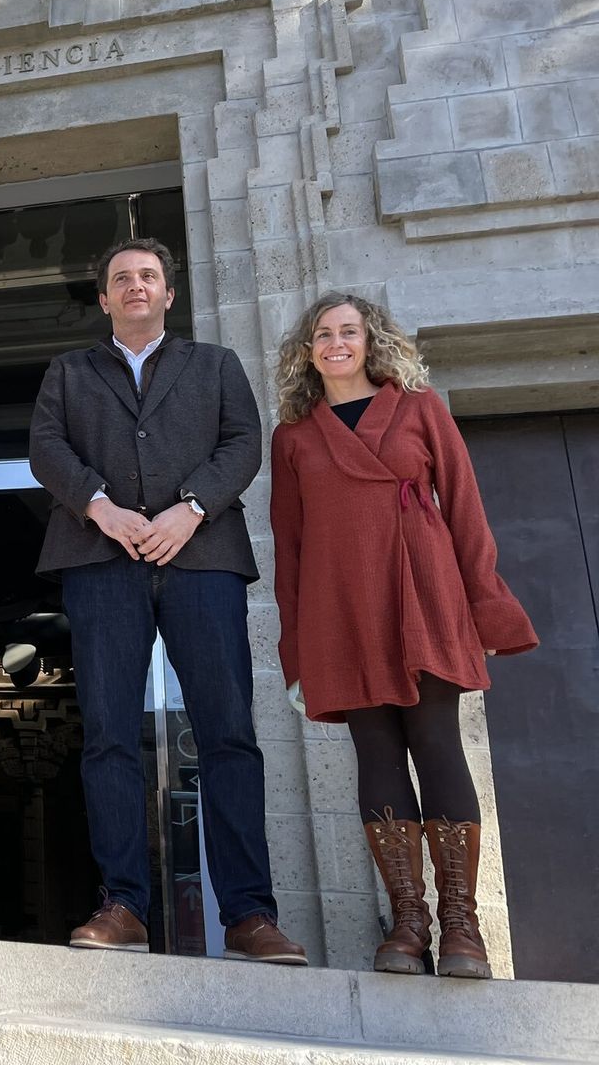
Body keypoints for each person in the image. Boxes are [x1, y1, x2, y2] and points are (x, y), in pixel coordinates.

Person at [28, 237, 305, 964]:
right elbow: (47, 448)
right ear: (103, 297)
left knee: (227, 735)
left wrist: (191, 508)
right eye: (121, 278)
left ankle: (249, 914)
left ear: (169, 294)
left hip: (202, 556)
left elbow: (244, 442)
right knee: (108, 737)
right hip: (100, 558)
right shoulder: (68, 370)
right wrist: (100, 508)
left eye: (149, 277)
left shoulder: (213, 364)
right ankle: (123, 905)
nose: (136, 287)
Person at [269, 293, 537, 980]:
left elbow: (467, 511)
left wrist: (486, 607)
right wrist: (296, 650)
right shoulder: (295, 437)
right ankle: (409, 922)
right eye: (322, 335)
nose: (335, 343)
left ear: (370, 341)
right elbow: (290, 550)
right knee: (377, 753)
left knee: (438, 743)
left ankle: (462, 926)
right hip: (341, 610)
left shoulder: (421, 408)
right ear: (307, 350)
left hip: (424, 594)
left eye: (348, 332)